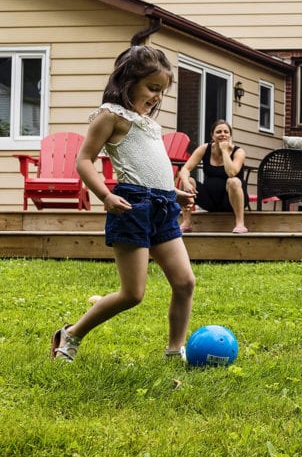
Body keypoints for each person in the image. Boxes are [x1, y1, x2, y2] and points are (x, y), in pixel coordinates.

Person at [53, 45, 197, 362]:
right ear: (128, 81)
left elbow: (152, 170)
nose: (157, 97)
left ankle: (175, 350)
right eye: (152, 88)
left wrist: (175, 195)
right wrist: (105, 195)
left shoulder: (149, 124)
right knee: (133, 294)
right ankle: (71, 334)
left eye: (162, 91)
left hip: (162, 207)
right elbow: (84, 160)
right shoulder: (110, 116)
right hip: (131, 206)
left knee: (185, 281)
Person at [177, 120, 248, 234]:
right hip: (210, 201)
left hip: (230, 202)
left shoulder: (238, 151)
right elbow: (185, 169)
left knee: (233, 181)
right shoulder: (205, 149)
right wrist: (185, 181)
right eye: (218, 132)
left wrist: (224, 150)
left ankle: (240, 223)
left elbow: (231, 173)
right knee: (187, 181)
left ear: (230, 135)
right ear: (212, 135)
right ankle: (186, 222)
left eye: (226, 132)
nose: (222, 134)